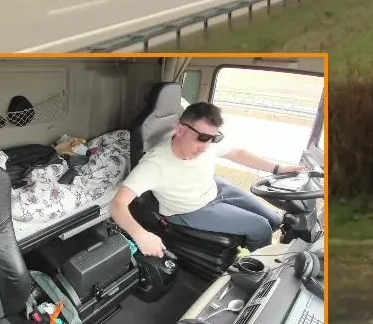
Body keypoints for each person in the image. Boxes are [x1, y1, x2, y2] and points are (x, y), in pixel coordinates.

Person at [110, 102, 308, 256]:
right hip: (190, 208)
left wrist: (277, 168)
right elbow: (117, 204)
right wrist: (141, 236)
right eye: (202, 138)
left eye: (214, 138)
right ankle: (258, 272)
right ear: (180, 130)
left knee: (274, 219)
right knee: (261, 228)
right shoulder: (155, 164)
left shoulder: (206, 142)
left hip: (216, 188)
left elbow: (237, 153)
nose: (206, 147)